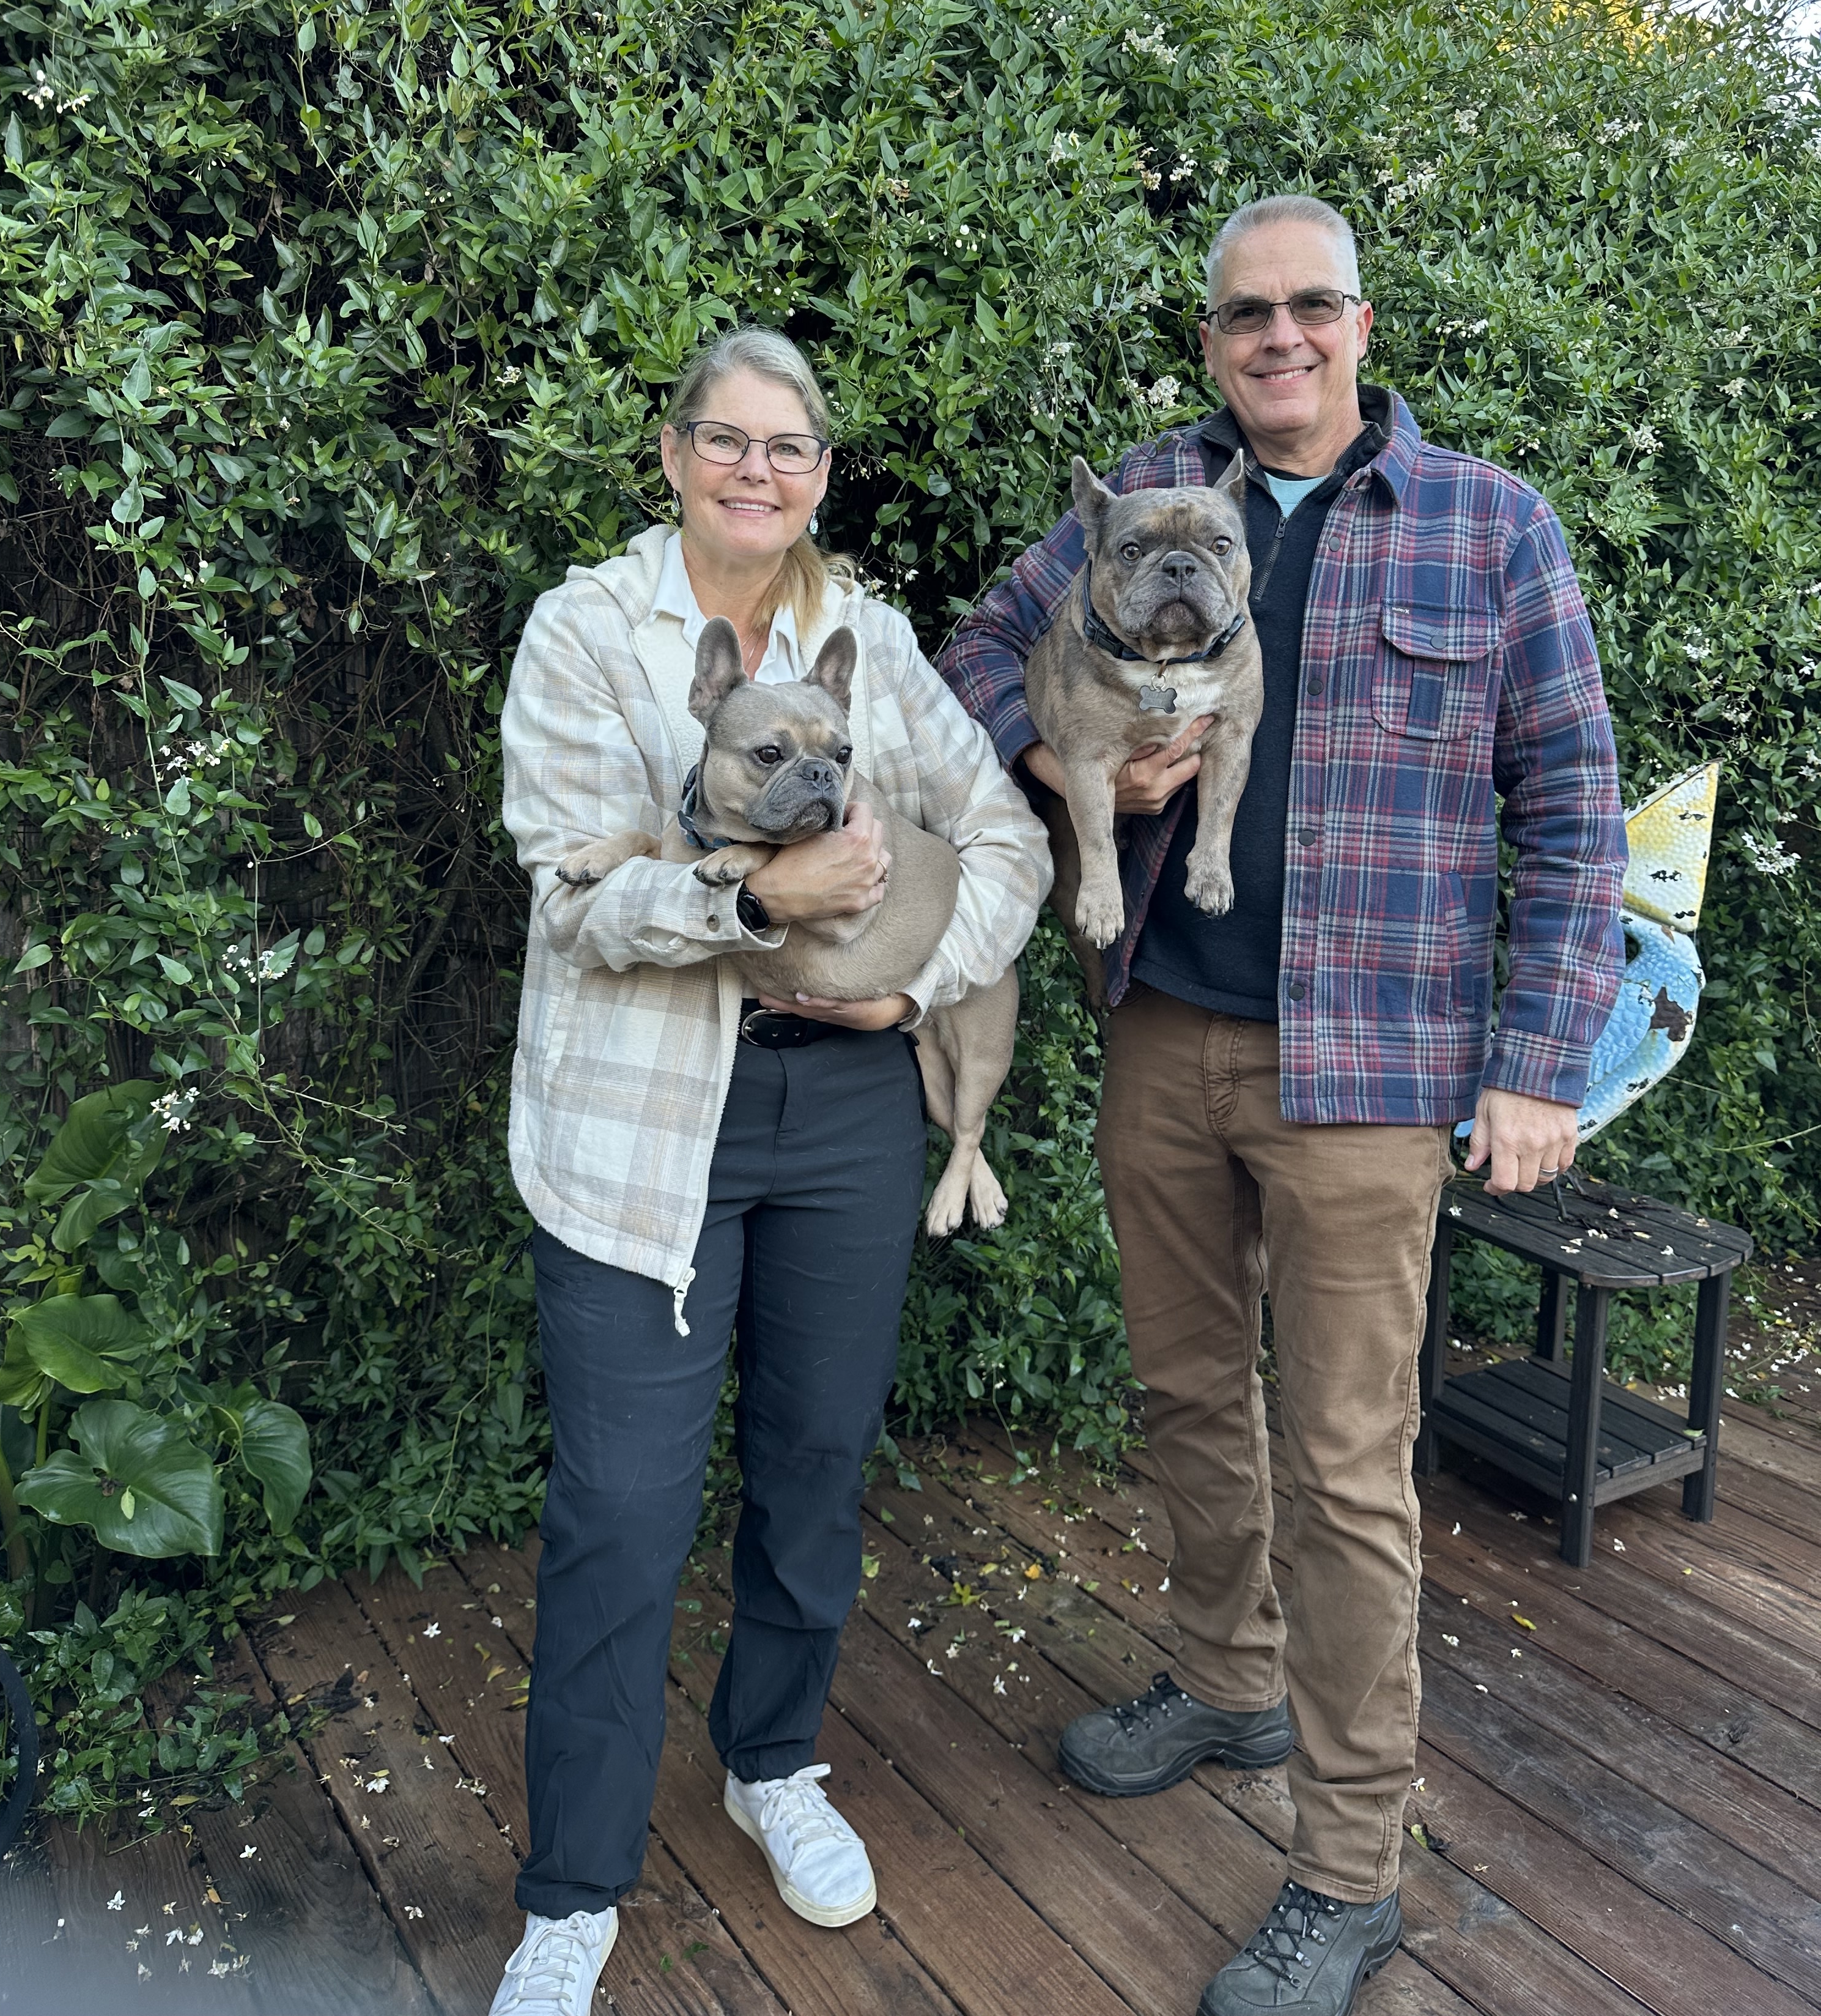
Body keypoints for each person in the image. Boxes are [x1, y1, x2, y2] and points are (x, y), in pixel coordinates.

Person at [939, 196, 1626, 2016]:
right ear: (1214, 341)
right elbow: (970, 651)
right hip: (1166, 1028)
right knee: (1182, 1398)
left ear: (1361, 323)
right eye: (1247, 314)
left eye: (1311, 307)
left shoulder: (1490, 527)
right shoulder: (1141, 496)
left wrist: (1543, 1061)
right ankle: (1230, 1684)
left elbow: (1572, 806)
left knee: (1344, 1467)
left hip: (1377, 1075)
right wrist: (1049, 747)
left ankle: (1349, 1867)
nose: (1280, 339)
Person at [493, 328, 1050, 2016]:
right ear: (670, 455)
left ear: (820, 471)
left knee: (813, 1462)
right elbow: (571, 896)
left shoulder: (865, 641)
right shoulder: (591, 631)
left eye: (788, 447)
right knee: (625, 1510)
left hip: (848, 1114)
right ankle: (575, 1889)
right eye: (724, 440)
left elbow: (1012, 838)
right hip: (644, 1121)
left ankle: (773, 1762)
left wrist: (921, 983)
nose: (756, 470)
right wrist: (751, 906)